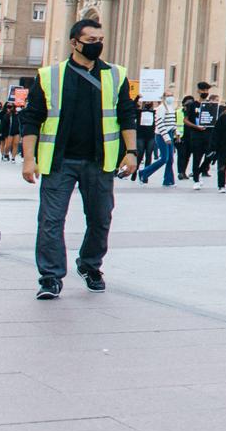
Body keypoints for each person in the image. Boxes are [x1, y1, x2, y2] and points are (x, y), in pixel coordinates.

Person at [18, 19, 139, 297]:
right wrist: (28, 158)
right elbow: (31, 119)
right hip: (59, 162)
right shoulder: (50, 76)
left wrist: (131, 152)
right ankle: (50, 276)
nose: (97, 44)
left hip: (100, 161)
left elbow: (126, 115)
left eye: (100, 39)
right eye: (91, 40)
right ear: (74, 43)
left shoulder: (116, 75)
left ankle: (90, 264)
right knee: (51, 220)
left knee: (100, 218)